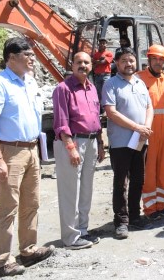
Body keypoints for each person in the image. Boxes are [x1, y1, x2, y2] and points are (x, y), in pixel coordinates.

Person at [0, 38, 54, 277]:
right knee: (8, 207)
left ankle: (28, 249)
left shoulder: (29, 82)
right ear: (11, 58)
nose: (32, 59)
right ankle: (4, 260)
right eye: (27, 55)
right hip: (9, 151)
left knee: (31, 202)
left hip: (31, 149)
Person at [52, 52, 105, 250]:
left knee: (86, 189)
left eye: (86, 62)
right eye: (79, 62)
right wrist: (71, 148)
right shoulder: (63, 89)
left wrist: (100, 143)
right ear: (72, 65)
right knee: (70, 190)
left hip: (91, 142)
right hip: (73, 142)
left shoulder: (91, 88)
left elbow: (96, 119)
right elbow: (61, 122)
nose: (82, 65)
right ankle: (70, 237)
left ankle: (82, 230)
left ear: (91, 65)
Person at [102, 47, 153, 239]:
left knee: (138, 179)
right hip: (121, 142)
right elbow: (111, 113)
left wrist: (145, 128)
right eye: (124, 60)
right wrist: (137, 127)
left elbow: (149, 107)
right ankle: (121, 221)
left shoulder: (140, 83)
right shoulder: (111, 84)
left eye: (131, 60)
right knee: (121, 182)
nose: (128, 64)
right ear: (116, 62)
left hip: (140, 140)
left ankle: (135, 216)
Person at [137, 45, 164, 220]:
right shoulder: (139, 79)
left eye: (161, 59)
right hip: (148, 132)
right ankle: (150, 208)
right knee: (149, 171)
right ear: (149, 60)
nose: (158, 62)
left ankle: (162, 204)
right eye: (155, 59)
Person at [92, 38, 113, 108]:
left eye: (104, 43)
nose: (102, 45)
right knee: (99, 93)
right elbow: (93, 62)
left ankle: (106, 110)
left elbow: (103, 62)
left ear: (106, 45)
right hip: (97, 76)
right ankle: (101, 109)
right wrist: (99, 60)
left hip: (106, 75)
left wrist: (97, 62)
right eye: (101, 43)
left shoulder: (109, 54)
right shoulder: (96, 54)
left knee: (106, 91)